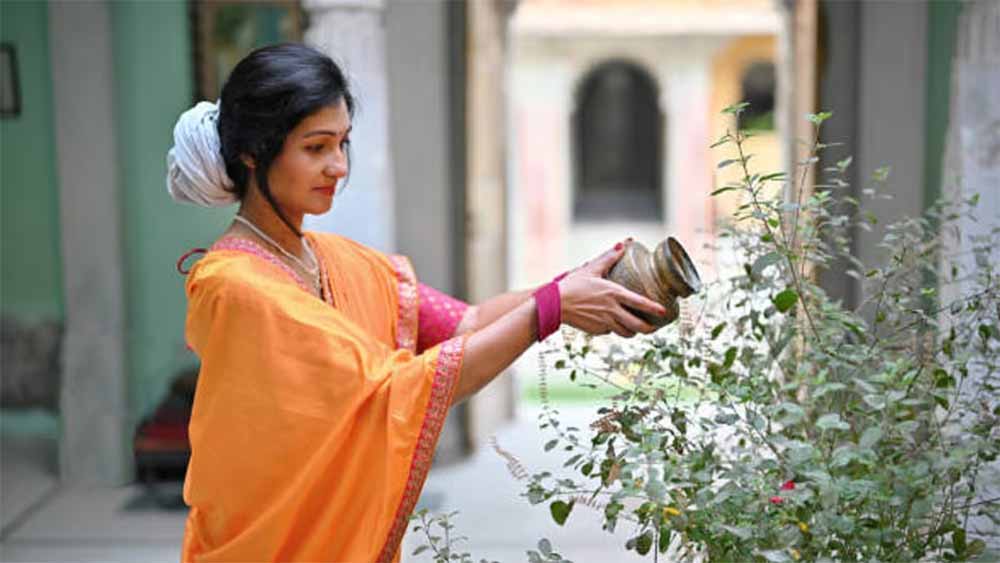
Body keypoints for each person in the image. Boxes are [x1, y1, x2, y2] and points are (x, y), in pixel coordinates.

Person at [167, 43, 666, 562]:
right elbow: (392, 392)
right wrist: (553, 308)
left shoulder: (336, 259)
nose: (338, 166)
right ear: (252, 151)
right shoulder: (236, 285)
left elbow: (467, 323)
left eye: (342, 143)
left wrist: (572, 284)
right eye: (316, 148)